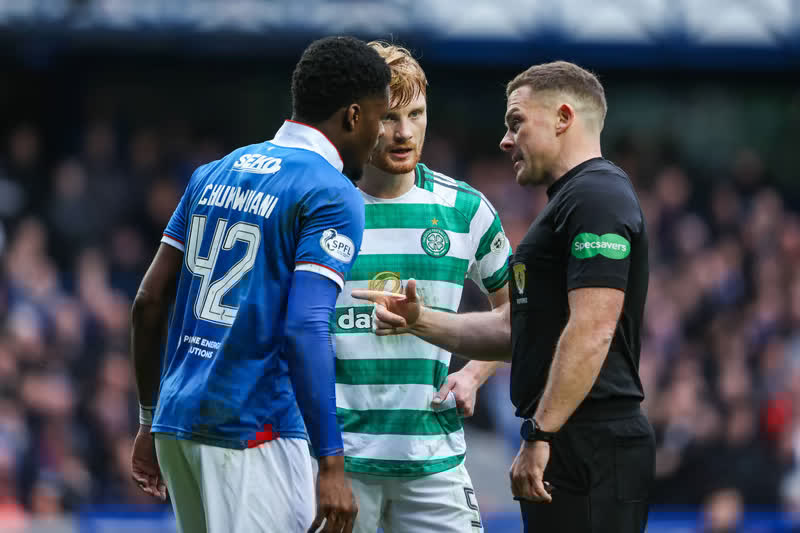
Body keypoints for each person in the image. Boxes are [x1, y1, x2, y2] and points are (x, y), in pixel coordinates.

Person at [352, 61, 654, 533]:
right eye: (390, 116)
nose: (505, 140)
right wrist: (420, 320)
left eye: (516, 123)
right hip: (567, 442)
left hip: (585, 442)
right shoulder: (568, 202)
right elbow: (516, 327)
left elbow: (592, 329)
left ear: (563, 118)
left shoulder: (595, 197)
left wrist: (539, 432)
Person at [129, 36, 390, 533]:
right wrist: (332, 464)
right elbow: (305, 326)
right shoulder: (331, 192)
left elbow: (148, 301)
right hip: (254, 431)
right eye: (380, 118)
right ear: (354, 116)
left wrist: (148, 417)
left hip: (178, 424)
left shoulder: (211, 174)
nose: (379, 136)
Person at [333, 42, 511, 533]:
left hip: (434, 460)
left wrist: (474, 374)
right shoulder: (320, 204)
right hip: (337, 463)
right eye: (389, 117)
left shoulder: (465, 210)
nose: (405, 132)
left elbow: (520, 315)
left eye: (416, 114)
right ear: (357, 118)